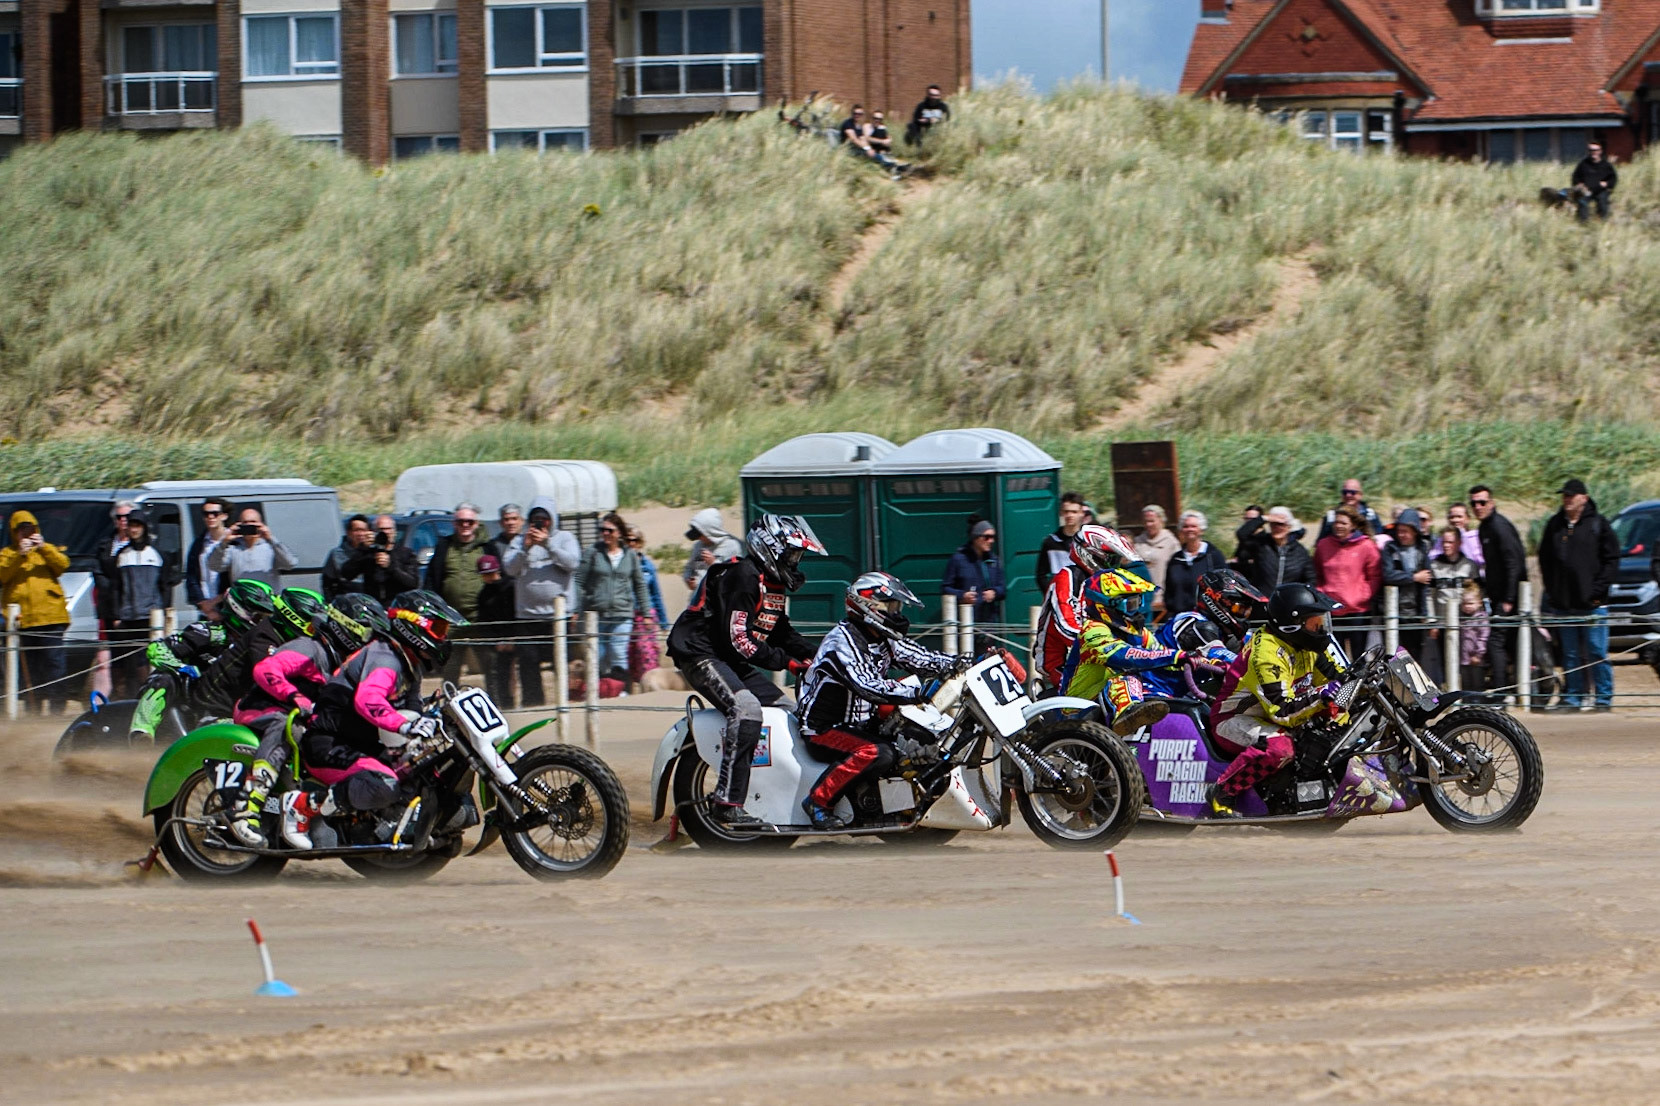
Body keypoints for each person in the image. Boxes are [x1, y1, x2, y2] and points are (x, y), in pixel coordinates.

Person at [666, 513, 825, 828]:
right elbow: (739, 639)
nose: (795, 561)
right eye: (791, 554)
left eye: (798, 556)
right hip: (700, 654)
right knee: (746, 709)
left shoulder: (771, 582)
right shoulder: (744, 575)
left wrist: (819, 655)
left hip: (726, 657)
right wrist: (788, 662)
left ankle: (777, 798)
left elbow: (780, 633)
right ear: (770, 547)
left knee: (788, 713)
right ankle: (727, 802)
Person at [283, 590, 467, 849]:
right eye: (438, 629)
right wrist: (406, 725)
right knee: (385, 785)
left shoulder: (409, 664)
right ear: (412, 626)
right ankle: (302, 805)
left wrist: (431, 718)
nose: (443, 638)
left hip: (363, 745)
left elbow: (412, 707)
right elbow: (367, 700)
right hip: (329, 744)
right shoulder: (386, 658)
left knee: (419, 772)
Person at [796, 572, 968, 829]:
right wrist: (917, 692)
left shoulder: (882, 637)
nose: (896, 614)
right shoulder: (842, 641)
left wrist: (960, 662)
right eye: (891, 607)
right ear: (868, 606)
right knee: (878, 752)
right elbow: (867, 685)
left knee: (923, 736)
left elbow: (920, 657)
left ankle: (898, 806)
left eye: (897, 607)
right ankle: (818, 802)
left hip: (864, 723)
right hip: (824, 729)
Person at [227, 593, 389, 847]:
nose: (371, 643)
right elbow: (265, 669)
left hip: (299, 717)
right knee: (289, 725)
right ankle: (244, 808)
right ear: (348, 629)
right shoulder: (310, 648)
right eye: (368, 635)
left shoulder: (341, 662)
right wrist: (295, 697)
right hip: (261, 709)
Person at [1208, 584, 1345, 817]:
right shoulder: (1266, 653)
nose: (1321, 629)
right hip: (1233, 719)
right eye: (1315, 623)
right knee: (1280, 748)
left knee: (1334, 728)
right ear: (1292, 624)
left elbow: (1337, 678)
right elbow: (1283, 711)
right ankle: (1222, 792)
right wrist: (1322, 695)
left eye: (1322, 622)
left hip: (1270, 716)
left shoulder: (1307, 645)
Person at [127, 579, 277, 742]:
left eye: (266, 618)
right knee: (166, 678)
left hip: (219, 702)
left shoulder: (263, 645)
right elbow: (157, 648)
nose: (262, 623)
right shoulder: (209, 633)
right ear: (238, 609)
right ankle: (141, 733)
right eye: (258, 617)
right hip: (185, 691)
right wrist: (181, 667)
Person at [1060, 570, 1184, 736]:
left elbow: (1160, 654)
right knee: (1126, 675)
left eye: (1139, 602)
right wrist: (1173, 657)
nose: (1138, 610)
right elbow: (1122, 655)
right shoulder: (1092, 630)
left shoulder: (1138, 633)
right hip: (1076, 709)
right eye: (1131, 604)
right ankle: (1128, 716)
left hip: (1103, 707)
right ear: (1107, 605)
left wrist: (1195, 659)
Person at [1537, 478, 1619, 711]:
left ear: (1584, 498)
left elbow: (1611, 560)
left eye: (1571, 495)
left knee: (1596, 651)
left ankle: (1603, 698)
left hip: (1593, 604)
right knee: (1570, 654)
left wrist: (1597, 591)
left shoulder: (1598, 524)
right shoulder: (1555, 525)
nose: (1567, 500)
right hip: (1564, 604)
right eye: (1564, 495)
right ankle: (1574, 697)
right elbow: (1545, 559)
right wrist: (1553, 590)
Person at [1035, 524, 1138, 690]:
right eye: (1112, 560)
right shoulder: (1068, 577)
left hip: (1093, 658)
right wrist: (1105, 646)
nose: (1115, 568)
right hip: (1062, 662)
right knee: (1114, 689)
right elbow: (1066, 625)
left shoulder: (1101, 585)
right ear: (1093, 555)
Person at [501, 497, 580, 707]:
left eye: (544, 519)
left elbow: (573, 563)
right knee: (528, 665)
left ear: (552, 520)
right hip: (527, 616)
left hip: (558, 616)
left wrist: (548, 544)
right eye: (535, 518)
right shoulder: (519, 541)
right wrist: (525, 549)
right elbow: (510, 569)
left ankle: (564, 705)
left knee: (561, 663)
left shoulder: (564, 538)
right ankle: (534, 705)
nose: (539, 523)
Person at [0, 510, 72, 713]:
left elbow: (63, 565)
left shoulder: (47, 550)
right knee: (30, 672)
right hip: (23, 622)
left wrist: (44, 547)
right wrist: (18, 555)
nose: (26, 533)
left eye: (30, 529)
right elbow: (2, 575)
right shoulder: (7, 554)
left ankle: (57, 710)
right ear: (14, 533)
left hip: (51, 619)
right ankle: (34, 711)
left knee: (55, 666)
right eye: (21, 530)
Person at [102, 512, 177, 702]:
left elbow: (165, 586)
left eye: (138, 526)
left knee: (147, 660)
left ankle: (149, 697)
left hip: (151, 618)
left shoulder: (158, 554)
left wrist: (163, 612)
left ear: (144, 528)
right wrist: (116, 615)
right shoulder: (122, 555)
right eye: (131, 526)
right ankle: (129, 700)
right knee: (129, 662)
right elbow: (116, 588)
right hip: (128, 618)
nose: (134, 530)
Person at [427, 502, 503, 685]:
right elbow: (432, 579)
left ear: (476, 524)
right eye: (461, 521)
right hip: (451, 618)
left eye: (470, 521)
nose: (465, 525)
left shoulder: (487, 547)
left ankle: (496, 700)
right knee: (450, 667)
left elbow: (499, 581)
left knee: (490, 664)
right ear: (454, 523)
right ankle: (450, 700)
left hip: (480, 617)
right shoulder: (444, 546)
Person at [575, 512, 651, 682]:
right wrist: (577, 609)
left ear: (619, 533)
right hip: (596, 614)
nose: (605, 533)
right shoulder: (592, 552)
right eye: (602, 529)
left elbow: (640, 585)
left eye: (609, 530)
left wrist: (646, 613)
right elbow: (578, 581)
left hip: (622, 613)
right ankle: (602, 689)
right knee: (599, 655)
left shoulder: (630, 555)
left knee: (618, 652)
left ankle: (620, 690)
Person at [1471, 485, 1527, 699]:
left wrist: (1509, 599)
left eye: (1482, 502)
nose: (1478, 506)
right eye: (1474, 503)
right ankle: (1510, 689)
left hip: (1509, 598)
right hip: (1498, 597)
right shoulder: (1484, 528)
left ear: (1492, 503)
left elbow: (1514, 563)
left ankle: (1500, 693)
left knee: (1495, 642)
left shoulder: (1499, 526)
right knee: (1508, 643)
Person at [1314, 504, 1381, 659]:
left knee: (1359, 656)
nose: (1338, 526)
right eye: (1336, 522)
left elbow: (1375, 575)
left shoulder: (1366, 546)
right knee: (1335, 657)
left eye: (1343, 523)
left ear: (1353, 525)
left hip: (1358, 611)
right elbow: (1317, 573)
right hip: (1331, 610)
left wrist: (1362, 596)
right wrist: (1323, 593)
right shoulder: (1323, 545)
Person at [1381, 508, 1435, 666]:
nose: (1401, 535)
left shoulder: (1422, 549)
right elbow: (1388, 575)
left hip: (1415, 613)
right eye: (1399, 531)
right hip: (1394, 612)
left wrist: (1425, 614)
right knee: (1393, 657)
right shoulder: (1390, 548)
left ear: (1415, 531)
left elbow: (1425, 584)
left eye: (1405, 531)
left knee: (1414, 659)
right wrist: (1414, 577)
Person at [1235, 506, 1315, 595]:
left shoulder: (1300, 552)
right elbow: (1241, 534)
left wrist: (1299, 596)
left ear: (1289, 527)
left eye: (1280, 524)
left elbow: (1311, 579)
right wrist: (1264, 518)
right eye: (1273, 524)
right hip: (1261, 599)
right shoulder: (1262, 544)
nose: (1276, 527)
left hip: (1286, 601)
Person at [342, 515, 421, 605]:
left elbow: (413, 583)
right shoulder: (368, 553)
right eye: (381, 529)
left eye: (388, 529)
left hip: (399, 605)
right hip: (374, 604)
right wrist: (363, 549)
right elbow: (347, 574)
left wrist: (390, 567)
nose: (385, 532)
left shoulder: (406, 553)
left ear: (394, 532)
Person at [1162, 511, 1225, 618]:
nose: (1189, 529)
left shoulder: (1214, 556)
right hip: (1180, 618)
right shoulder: (1175, 559)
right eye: (1186, 526)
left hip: (1208, 618)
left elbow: (1224, 586)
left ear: (1201, 530)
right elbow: (1169, 589)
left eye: (1193, 526)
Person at [474, 554, 518, 708]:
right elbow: (483, 623)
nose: (489, 577)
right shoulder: (483, 595)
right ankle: (502, 705)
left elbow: (517, 615)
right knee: (498, 674)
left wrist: (513, 638)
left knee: (516, 675)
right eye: (485, 574)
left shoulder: (511, 588)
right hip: (497, 643)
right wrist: (495, 642)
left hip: (516, 639)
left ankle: (517, 705)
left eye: (491, 573)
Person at [942, 520, 1006, 623]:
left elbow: (1002, 588)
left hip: (988, 621)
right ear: (976, 538)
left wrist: (994, 592)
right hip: (964, 619)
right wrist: (962, 595)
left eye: (993, 537)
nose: (991, 541)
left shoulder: (994, 561)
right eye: (987, 537)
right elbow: (946, 588)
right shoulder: (958, 559)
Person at [185, 498, 231, 614]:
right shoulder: (199, 544)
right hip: (205, 610)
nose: (210, 517)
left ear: (224, 516)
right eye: (206, 514)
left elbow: (236, 578)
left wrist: (216, 601)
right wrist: (203, 604)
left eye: (215, 513)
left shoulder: (234, 542)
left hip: (230, 607)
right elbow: (192, 577)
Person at [1036, 491, 1088, 592]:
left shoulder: (1089, 541)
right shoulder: (1050, 542)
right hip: (1060, 596)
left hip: (1086, 597)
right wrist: (1052, 594)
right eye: (1066, 511)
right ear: (1061, 512)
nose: (1069, 515)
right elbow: (1041, 575)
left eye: (1074, 512)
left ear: (1082, 513)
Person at [682, 508, 743, 592]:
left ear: (710, 532)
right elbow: (689, 567)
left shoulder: (732, 547)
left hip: (720, 595)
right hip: (699, 595)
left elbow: (735, 576)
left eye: (700, 535)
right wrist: (688, 579)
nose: (698, 538)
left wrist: (714, 563)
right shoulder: (698, 546)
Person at [1134, 505, 1181, 609]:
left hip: (1163, 601)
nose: (1148, 524)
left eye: (1152, 521)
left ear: (1161, 520)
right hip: (1141, 600)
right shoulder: (1137, 542)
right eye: (1146, 521)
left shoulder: (1171, 543)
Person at [321, 515, 372, 601]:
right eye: (356, 530)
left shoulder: (374, 552)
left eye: (363, 530)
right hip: (348, 600)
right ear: (349, 532)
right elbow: (327, 582)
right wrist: (330, 602)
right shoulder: (336, 554)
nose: (360, 534)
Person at [628, 524, 669, 626]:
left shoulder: (648, 566)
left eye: (635, 540)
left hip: (646, 617)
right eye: (627, 540)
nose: (631, 543)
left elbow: (656, 594)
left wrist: (663, 622)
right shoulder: (619, 565)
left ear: (640, 543)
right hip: (625, 616)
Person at [1572, 142, 1616, 222]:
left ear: (1600, 151)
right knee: (1582, 202)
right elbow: (1575, 177)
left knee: (1602, 202)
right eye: (1591, 150)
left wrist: (1607, 184)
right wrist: (1579, 185)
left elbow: (1613, 178)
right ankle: (1584, 224)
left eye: (1596, 150)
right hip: (1586, 190)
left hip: (1600, 190)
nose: (1593, 152)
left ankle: (1602, 223)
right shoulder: (1583, 164)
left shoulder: (1606, 165)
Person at [1459, 586, 1491, 694]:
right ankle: (1467, 700)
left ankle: (1477, 700)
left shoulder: (1482, 618)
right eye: (1464, 604)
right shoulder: (1460, 618)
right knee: (1465, 684)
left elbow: (1483, 637)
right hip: (1463, 658)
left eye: (1470, 603)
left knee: (1477, 683)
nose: (1467, 606)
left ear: (1479, 603)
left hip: (1476, 659)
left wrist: (1478, 654)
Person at [1447, 502, 1484, 568]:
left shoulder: (1476, 537)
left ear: (1468, 519)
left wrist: (1462, 536)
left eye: (1459, 517)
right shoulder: (1443, 539)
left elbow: (1480, 560)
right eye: (1451, 517)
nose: (1455, 520)